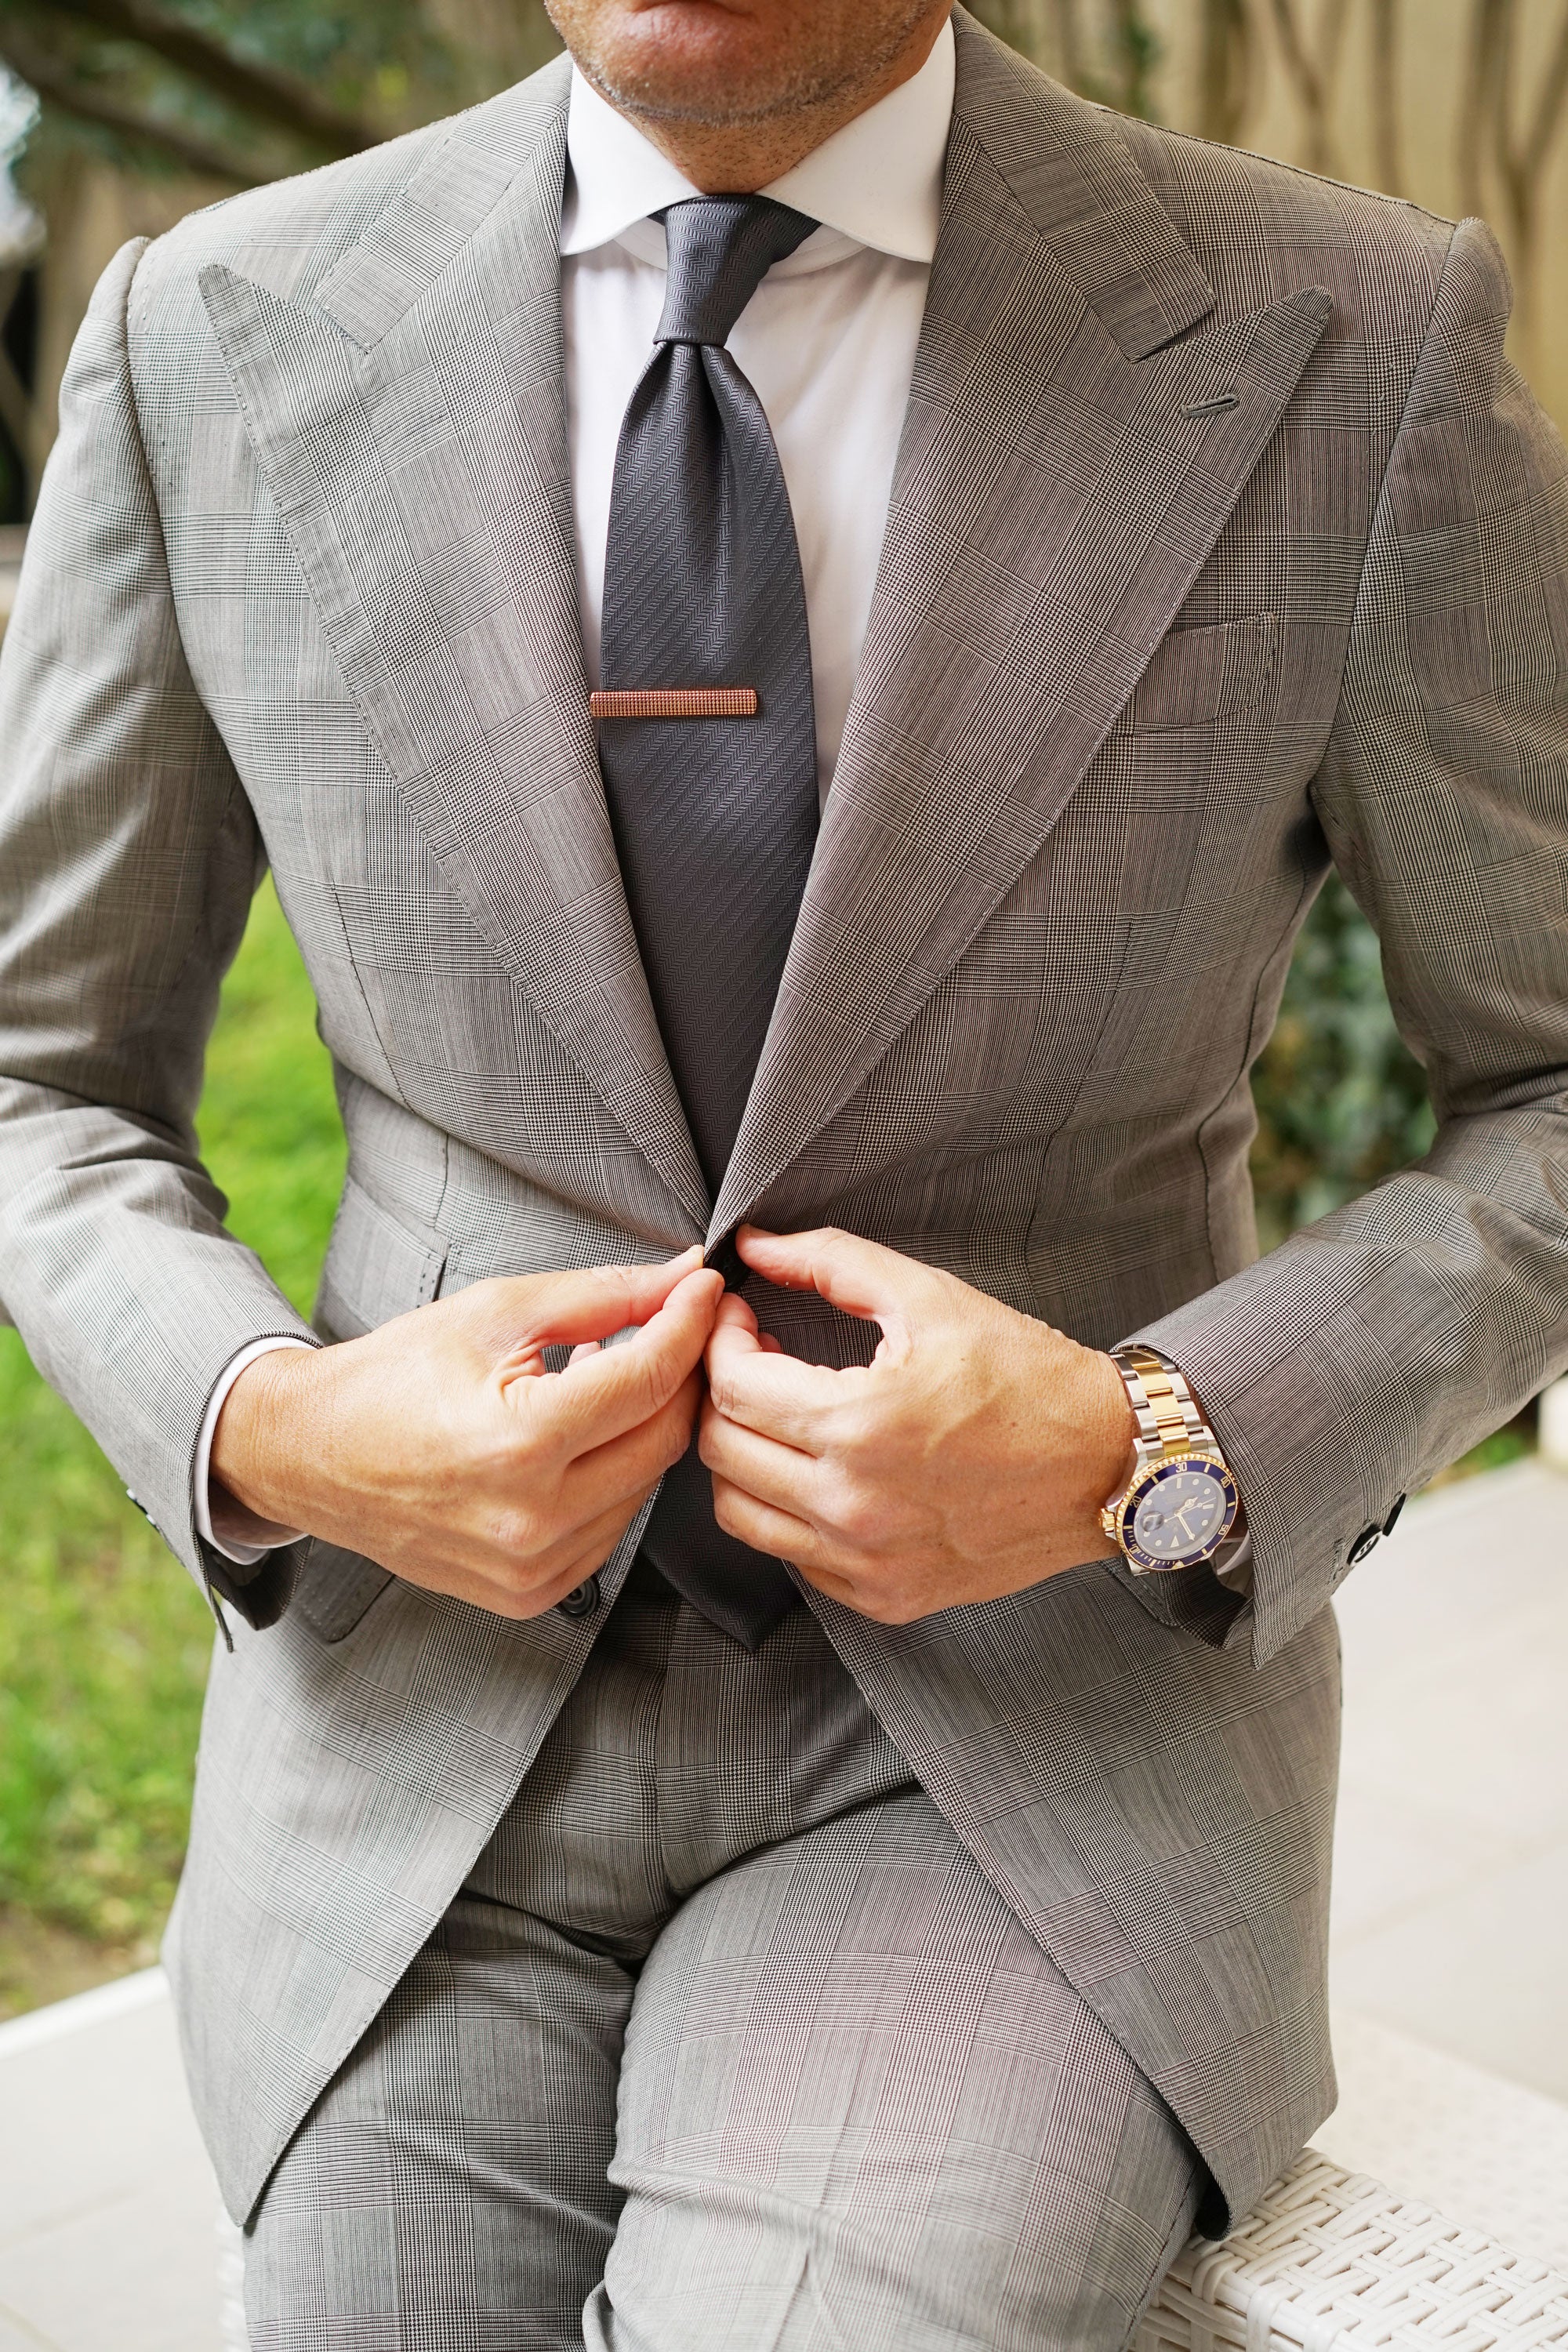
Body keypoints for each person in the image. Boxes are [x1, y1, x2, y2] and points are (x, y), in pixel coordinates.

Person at [1, 0, 1565, 2342]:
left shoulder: (1354, 342)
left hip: (1018, 1754)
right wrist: (278, 1430)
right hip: (416, 1749)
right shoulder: (202, 336)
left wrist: (1157, 1443)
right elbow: (41, 1071)